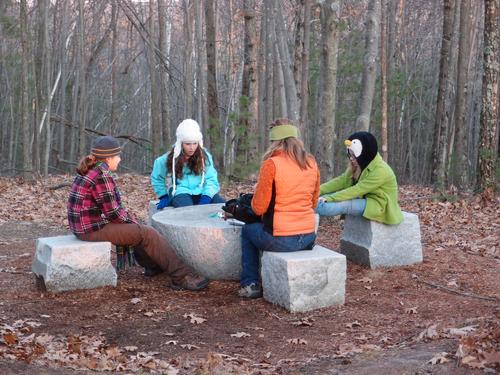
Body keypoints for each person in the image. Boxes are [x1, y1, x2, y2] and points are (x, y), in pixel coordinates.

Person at [67, 135, 209, 291]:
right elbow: (114, 213)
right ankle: (182, 277)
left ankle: (152, 266)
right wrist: (131, 221)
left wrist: (131, 221)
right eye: (117, 156)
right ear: (108, 158)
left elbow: (109, 211)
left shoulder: (92, 170)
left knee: (137, 229)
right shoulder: (101, 175)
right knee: (145, 233)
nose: (120, 159)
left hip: (83, 227)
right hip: (90, 230)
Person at [239, 119, 320, 299]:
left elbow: (259, 208)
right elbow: (313, 203)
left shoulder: (272, 164)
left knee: (247, 230)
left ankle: (250, 284)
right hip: (308, 236)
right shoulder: (311, 162)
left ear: (275, 141)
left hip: (282, 240)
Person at [316, 131, 403, 225]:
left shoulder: (381, 170)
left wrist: (330, 198)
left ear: (364, 153)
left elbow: (357, 190)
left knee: (341, 205)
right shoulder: (359, 164)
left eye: (354, 155)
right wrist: (316, 190)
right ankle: (304, 205)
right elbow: (341, 181)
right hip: (363, 197)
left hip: (378, 205)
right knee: (322, 197)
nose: (351, 159)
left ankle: (303, 206)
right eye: (350, 155)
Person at [151, 119, 225, 209]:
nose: (192, 147)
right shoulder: (170, 158)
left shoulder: (205, 157)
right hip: (180, 192)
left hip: (202, 191)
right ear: (181, 143)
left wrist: (206, 197)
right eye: (188, 144)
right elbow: (157, 177)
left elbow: (211, 179)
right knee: (188, 211)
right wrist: (163, 195)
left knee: (221, 206)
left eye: (195, 143)